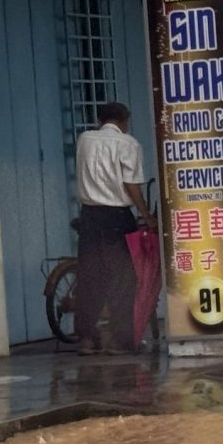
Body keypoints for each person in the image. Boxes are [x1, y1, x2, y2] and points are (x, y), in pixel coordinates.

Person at [75, 102, 157, 355]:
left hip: (89, 216)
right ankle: (120, 342)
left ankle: (86, 339)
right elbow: (132, 186)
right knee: (123, 280)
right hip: (117, 218)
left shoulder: (84, 140)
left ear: (100, 120)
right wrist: (146, 216)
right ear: (124, 121)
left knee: (90, 277)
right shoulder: (128, 144)